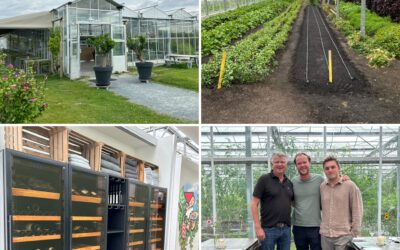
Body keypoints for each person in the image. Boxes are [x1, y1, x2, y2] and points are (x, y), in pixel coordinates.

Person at [251, 152, 294, 250]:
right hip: (268, 230)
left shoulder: (289, 183)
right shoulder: (264, 180)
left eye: (282, 162)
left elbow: (290, 204)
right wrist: (258, 228)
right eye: (276, 162)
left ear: (286, 164)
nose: (280, 164)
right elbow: (254, 204)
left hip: (286, 230)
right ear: (272, 164)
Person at [320, 156, 363, 250]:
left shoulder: (350, 185)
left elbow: (357, 209)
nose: (330, 170)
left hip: (344, 237)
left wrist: (354, 232)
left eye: (333, 167)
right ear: (324, 171)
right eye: (327, 168)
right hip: (326, 237)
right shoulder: (322, 187)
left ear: (339, 168)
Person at [292, 153, 324, 250]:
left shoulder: (319, 179)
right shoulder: (293, 181)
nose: (302, 165)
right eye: (299, 163)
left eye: (304, 162)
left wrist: (343, 178)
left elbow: (332, 185)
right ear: (296, 166)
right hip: (298, 227)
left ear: (309, 163)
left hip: (316, 226)